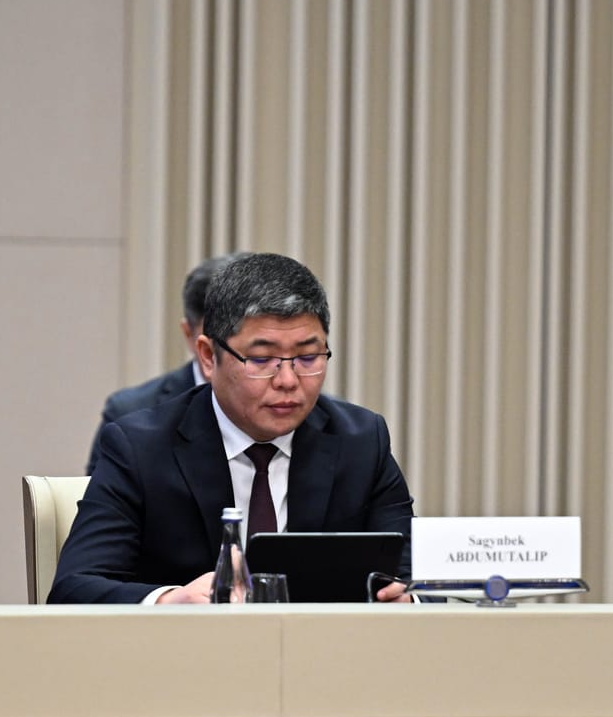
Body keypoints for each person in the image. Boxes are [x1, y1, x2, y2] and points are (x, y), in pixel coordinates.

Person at [50, 252, 413, 605]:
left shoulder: (361, 440)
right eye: (261, 359)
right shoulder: (140, 447)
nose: (288, 380)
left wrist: (407, 596)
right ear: (209, 357)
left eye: (307, 357)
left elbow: (411, 574)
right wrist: (169, 600)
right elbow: (74, 587)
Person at [87, 252, 246, 474]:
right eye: (222, 340)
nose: (236, 354)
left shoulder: (292, 406)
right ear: (189, 334)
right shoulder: (130, 413)